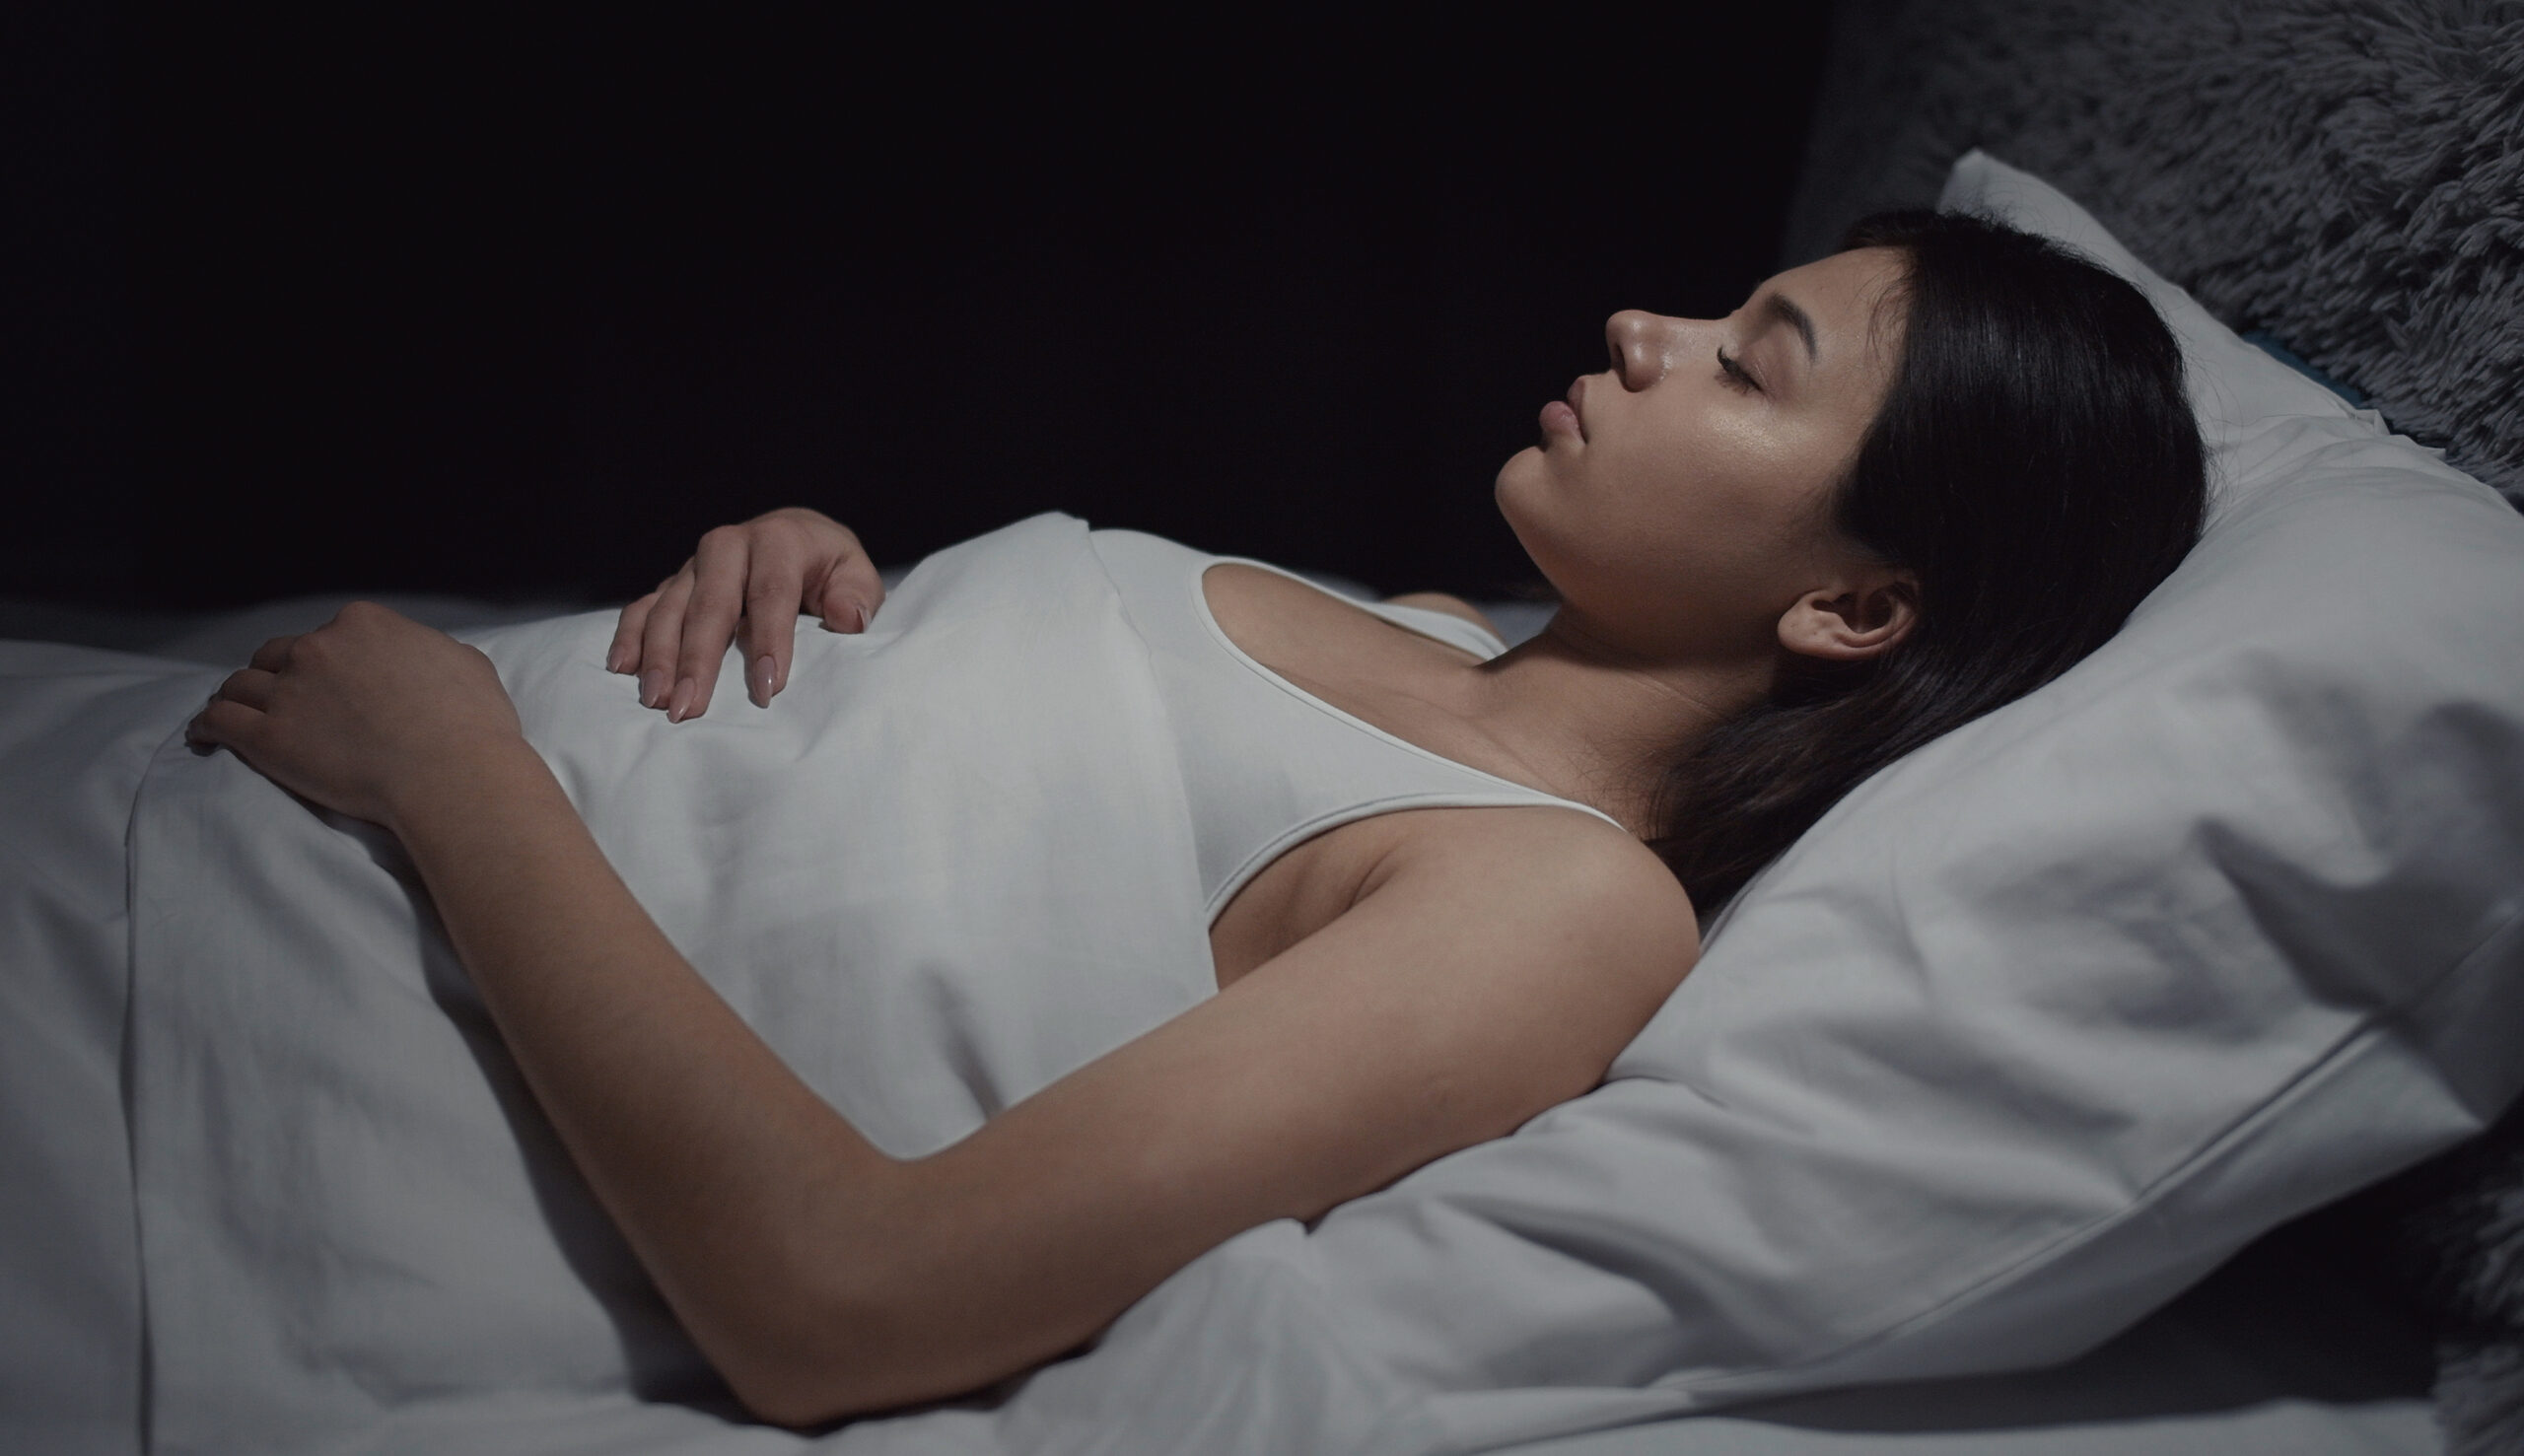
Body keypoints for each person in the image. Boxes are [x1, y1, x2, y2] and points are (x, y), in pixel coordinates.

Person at [180, 210, 2207, 1427]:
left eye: (1746, 371)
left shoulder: (1553, 906)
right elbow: (998, 807)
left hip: (255, 1035)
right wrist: (815, 586)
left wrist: (464, 779)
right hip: (235, 814)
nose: (1640, 333)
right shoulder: (1402, 623)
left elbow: (842, 1298)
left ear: (1850, 604)